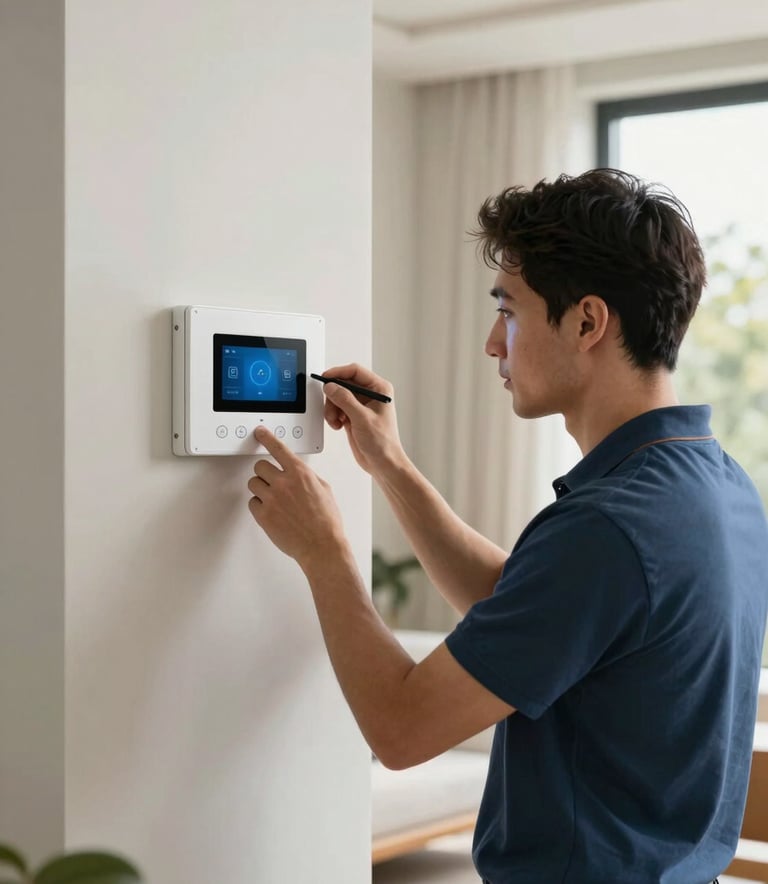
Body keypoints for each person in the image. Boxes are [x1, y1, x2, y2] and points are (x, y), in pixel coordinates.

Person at [246, 169, 768, 883]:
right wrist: (392, 467)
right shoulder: (718, 486)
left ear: (588, 322)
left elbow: (401, 729)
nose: (495, 343)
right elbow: (529, 610)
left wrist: (325, 551)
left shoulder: (609, 530)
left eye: (510, 310)